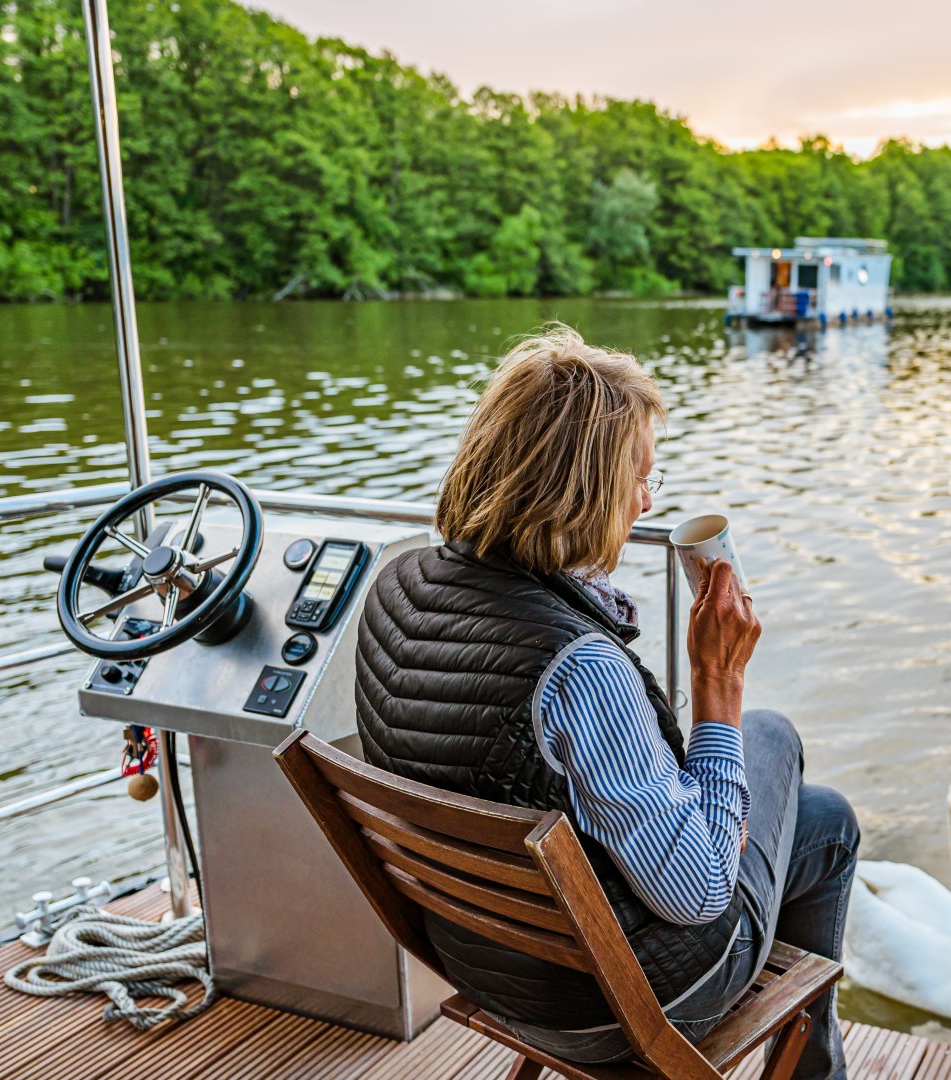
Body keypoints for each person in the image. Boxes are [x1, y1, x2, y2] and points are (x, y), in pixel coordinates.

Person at [355, 325, 857, 1079]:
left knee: (819, 823)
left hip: (484, 958)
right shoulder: (576, 669)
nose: (646, 502)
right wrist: (716, 685)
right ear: (578, 490)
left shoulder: (395, 588)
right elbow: (701, 893)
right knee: (770, 736)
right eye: (638, 479)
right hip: (612, 1002)